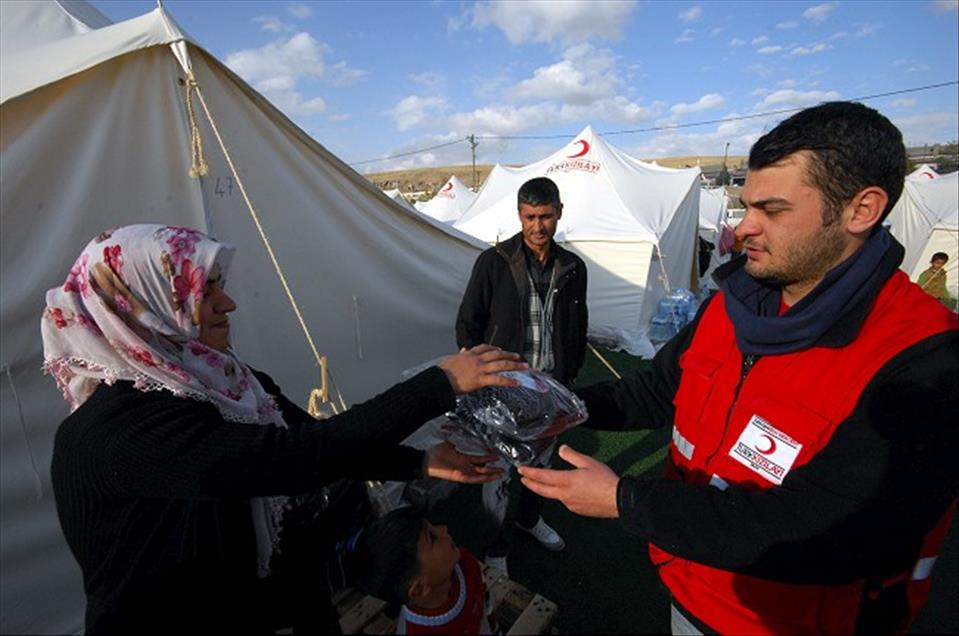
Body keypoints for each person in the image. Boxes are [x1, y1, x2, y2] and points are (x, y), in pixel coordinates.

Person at [519, 102, 959, 634]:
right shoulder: (735, 303)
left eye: (771, 211)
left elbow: (829, 529)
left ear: (862, 210)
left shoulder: (926, 358)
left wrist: (626, 501)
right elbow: (660, 391)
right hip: (687, 586)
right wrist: (564, 405)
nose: (742, 228)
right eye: (745, 205)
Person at [42, 224, 526, 635]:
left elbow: (315, 442)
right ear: (139, 310)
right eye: (202, 292)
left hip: (266, 600)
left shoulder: (228, 386)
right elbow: (290, 459)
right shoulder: (118, 432)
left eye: (218, 286)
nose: (228, 303)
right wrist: (438, 384)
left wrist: (417, 461)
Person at [455, 176, 588, 574]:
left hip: (551, 389)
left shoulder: (573, 266)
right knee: (497, 474)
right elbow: (467, 323)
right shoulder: (493, 262)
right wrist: (479, 375)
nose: (537, 226)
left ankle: (528, 520)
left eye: (545, 216)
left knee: (541, 465)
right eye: (529, 216)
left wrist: (570, 374)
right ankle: (496, 548)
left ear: (559, 213)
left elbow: (578, 324)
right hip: (505, 389)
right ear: (519, 215)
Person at [350, 507, 501, 635]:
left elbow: (483, 601)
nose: (443, 528)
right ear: (419, 590)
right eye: (432, 538)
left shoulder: (465, 562)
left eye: (433, 526)